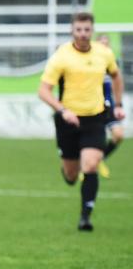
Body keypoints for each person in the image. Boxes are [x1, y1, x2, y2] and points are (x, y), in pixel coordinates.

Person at [38, 12, 125, 231]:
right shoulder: (61, 56)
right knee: (71, 175)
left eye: (87, 30)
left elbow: (116, 75)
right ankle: (68, 170)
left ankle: (85, 216)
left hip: (96, 117)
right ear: (72, 31)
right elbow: (43, 91)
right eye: (79, 30)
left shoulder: (104, 53)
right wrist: (63, 110)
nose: (83, 34)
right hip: (68, 120)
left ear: (92, 30)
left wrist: (118, 104)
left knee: (91, 164)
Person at [96, 34, 124, 178]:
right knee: (94, 139)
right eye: (102, 43)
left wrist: (119, 105)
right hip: (93, 106)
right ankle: (87, 168)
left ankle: (101, 159)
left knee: (118, 135)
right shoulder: (91, 62)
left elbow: (117, 84)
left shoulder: (112, 64)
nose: (104, 46)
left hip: (109, 106)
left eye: (107, 44)